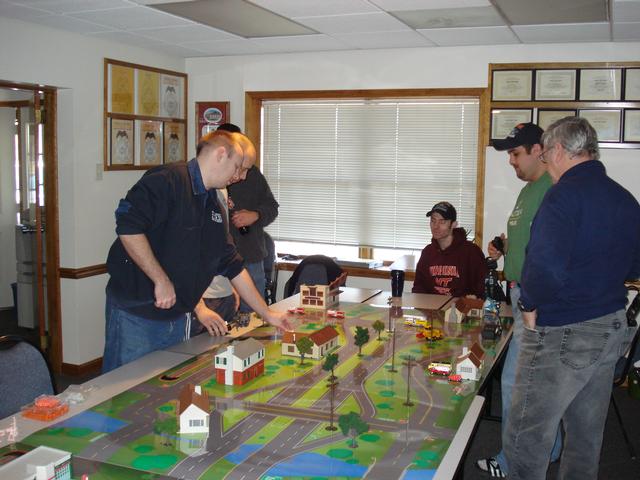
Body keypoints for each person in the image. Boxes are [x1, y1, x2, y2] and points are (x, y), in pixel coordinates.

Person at [504, 116, 640, 480]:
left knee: (527, 434)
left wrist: (529, 304)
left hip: (562, 330)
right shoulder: (624, 197)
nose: (546, 164)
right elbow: (635, 263)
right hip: (610, 324)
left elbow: (544, 264)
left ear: (560, 150)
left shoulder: (562, 195)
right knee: (584, 437)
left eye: (547, 155)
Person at [103, 130, 291, 373]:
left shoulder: (213, 203)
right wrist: (160, 280)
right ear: (221, 154)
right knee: (123, 394)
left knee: (163, 393)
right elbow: (128, 226)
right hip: (138, 314)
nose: (239, 176)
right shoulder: (167, 180)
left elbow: (232, 264)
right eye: (237, 167)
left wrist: (267, 313)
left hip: (179, 317)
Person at [476, 122, 559, 478]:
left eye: (515, 153)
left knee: (518, 384)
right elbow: (531, 240)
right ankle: (549, 451)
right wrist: (505, 248)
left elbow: (554, 249)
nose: (511, 161)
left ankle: (513, 463)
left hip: (534, 300)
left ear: (539, 150)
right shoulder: (529, 191)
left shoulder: (551, 189)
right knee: (534, 385)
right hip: (520, 292)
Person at [227, 124, 279, 312]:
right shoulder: (208, 176)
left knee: (253, 317)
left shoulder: (253, 174)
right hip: (219, 263)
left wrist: (255, 215)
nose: (240, 175)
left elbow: (272, 208)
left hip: (250, 258)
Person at [412, 201, 487, 298]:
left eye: (442, 222)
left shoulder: (471, 252)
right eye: (433, 221)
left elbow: (481, 289)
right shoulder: (428, 252)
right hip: (432, 309)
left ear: (453, 224)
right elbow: (419, 288)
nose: (436, 226)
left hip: (461, 310)